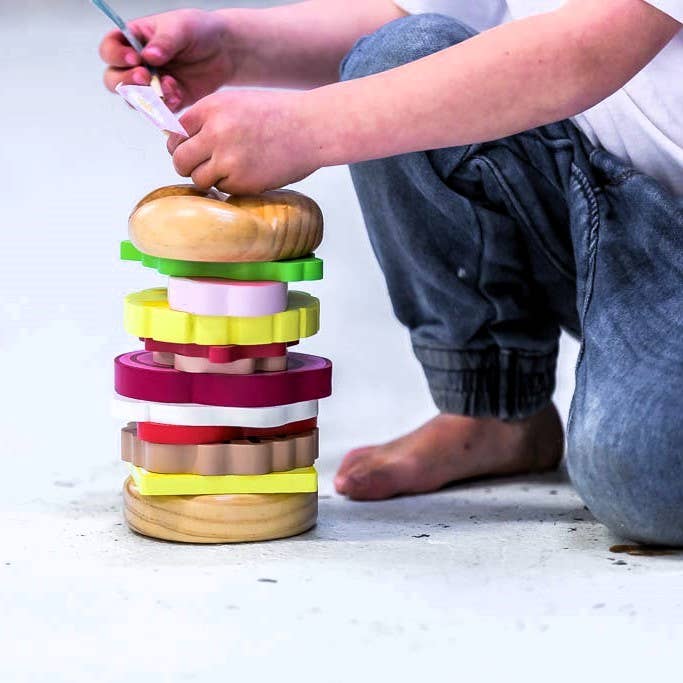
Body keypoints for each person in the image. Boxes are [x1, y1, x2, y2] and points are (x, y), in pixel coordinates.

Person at [100, 1, 683, 545]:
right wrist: (234, 45)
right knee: (401, 54)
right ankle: (494, 409)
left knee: (646, 473)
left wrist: (309, 127)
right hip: (582, 181)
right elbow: (421, 12)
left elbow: (589, 47)